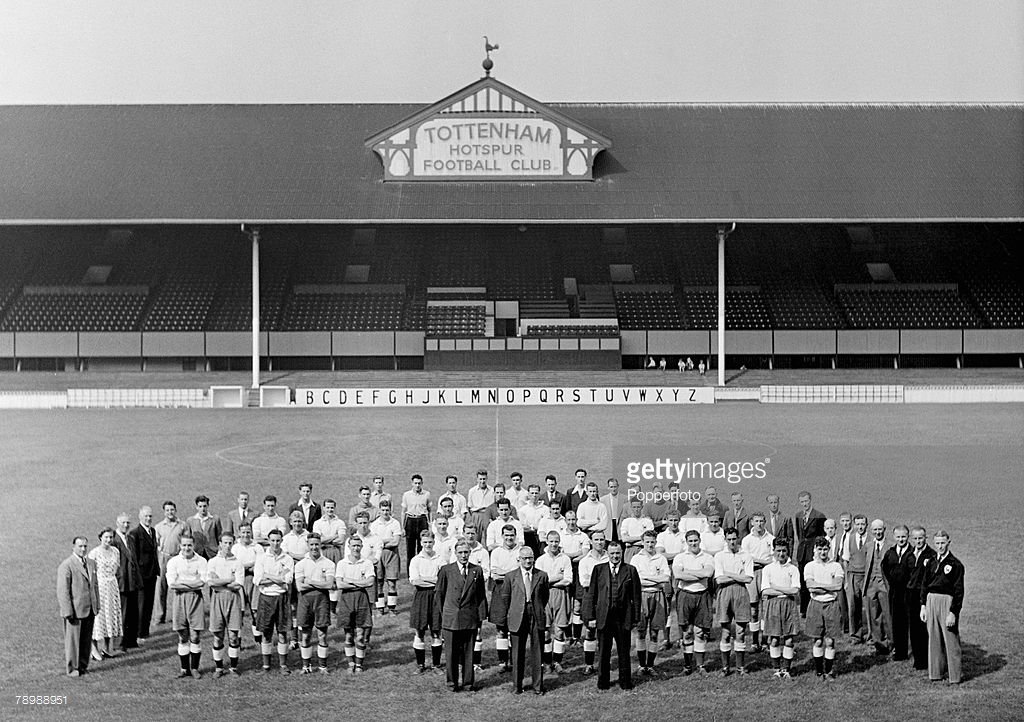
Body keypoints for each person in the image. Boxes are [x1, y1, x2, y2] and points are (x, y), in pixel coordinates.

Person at [582, 540, 642, 691]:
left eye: (618, 553)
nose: (615, 556)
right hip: (604, 617)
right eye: (612, 553)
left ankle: (625, 682)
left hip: (623, 617)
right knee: (604, 651)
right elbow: (592, 595)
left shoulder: (630, 570)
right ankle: (603, 683)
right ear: (607, 554)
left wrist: (635, 618)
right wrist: (591, 617)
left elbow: (636, 596)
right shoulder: (599, 569)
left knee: (623, 651)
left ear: (622, 553)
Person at [434, 540, 488, 692]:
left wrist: (480, 617)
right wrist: (444, 614)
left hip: (469, 617)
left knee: (468, 652)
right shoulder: (446, 570)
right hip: (451, 618)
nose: (463, 555)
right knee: (451, 653)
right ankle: (452, 683)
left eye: (466, 552)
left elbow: (481, 595)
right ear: (455, 553)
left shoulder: (476, 570)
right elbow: (439, 594)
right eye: (460, 552)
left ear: (470, 553)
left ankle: (468, 683)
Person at [497, 545, 549, 695]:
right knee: (517, 652)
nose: (528, 561)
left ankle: (538, 686)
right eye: (525, 558)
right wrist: (514, 611)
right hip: (517, 615)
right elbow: (506, 597)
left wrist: (536, 608)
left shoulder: (542, 575)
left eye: (530, 558)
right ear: (518, 559)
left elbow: (544, 597)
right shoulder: (510, 576)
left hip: (536, 614)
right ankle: (517, 686)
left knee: (537, 651)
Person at [921, 530, 964, 684]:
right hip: (931, 600)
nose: (940, 546)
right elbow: (924, 585)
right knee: (933, 638)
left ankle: (955, 676)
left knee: (950, 639)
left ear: (948, 543)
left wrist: (953, 612)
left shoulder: (956, 564)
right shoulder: (930, 562)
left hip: (947, 601)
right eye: (937, 543)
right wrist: (923, 606)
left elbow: (959, 591)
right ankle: (935, 673)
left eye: (943, 543)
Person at [672, 530, 715, 675]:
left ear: (700, 540)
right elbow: (678, 575)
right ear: (686, 542)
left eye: (695, 540)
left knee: (700, 632)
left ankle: (700, 665)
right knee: (687, 631)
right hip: (685, 595)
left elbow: (708, 574)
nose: (693, 543)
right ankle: (687, 665)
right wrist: (699, 573)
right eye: (690, 541)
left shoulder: (707, 557)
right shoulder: (680, 557)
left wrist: (688, 573)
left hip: (702, 595)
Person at [253, 528, 295, 674]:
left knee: (282, 632)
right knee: (266, 632)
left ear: (282, 541)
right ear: (268, 541)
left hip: (282, 598)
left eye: (278, 540)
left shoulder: (287, 559)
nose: (275, 543)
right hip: (266, 598)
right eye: (273, 541)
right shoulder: (262, 558)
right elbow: (257, 580)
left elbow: (287, 581)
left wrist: (267, 575)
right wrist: (278, 578)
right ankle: (266, 666)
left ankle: (283, 665)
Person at [58, 535, 101, 677]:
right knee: (73, 641)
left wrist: (97, 604)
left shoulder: (91, 563)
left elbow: (95, 585)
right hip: (75, 610)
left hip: (89, 608)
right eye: (80, 546)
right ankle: (72, 668)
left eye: (85, 546)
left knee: (86, 640)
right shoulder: (67, 565)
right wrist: (67, 611)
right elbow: (63, 591)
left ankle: (83, 666)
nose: (83, 549)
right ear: (73, 547)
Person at [166, 534, 207, 678]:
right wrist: (191, 584)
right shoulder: (173, 562)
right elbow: (172, 584)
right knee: (183, 635)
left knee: (195, 635)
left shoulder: (201, 561)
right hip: (179, 599)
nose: (186, 548)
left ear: (194, 546)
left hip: (195, 599)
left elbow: (202, 582)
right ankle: (184, 669)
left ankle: (195, 668)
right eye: (184, 545)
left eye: (189, 545)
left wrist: (183, 584)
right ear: (180, 546)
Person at [714, 527, 754, 676]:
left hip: (741, 592)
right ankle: (725, 667)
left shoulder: (746, 555)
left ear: (738, 539)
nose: (732, 542)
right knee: (725, 632)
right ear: (725, 539)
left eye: (734, 539)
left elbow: (748, 578)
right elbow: (719, 579)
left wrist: (728, 574)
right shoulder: (719, 556)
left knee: (740, 631)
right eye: (729, 539)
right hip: (724, 593)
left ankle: (740, 667)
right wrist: (737, 575)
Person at [803, 536, 845, 679]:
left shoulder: (836, 566)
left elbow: (838, 586)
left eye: (825, 549)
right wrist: (829, 587)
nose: (823, 552)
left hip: (831, 605)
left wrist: (819, 586)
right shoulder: (810, 566)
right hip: (815, 604)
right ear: (815, 550)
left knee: (830, 640)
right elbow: (810, 586)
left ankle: (829, 671)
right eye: (820, 549)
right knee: (818, 640)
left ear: (829, 550)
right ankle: (819, 671)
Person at [294, 533, 335, 675]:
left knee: (322, 634)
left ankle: (323, 666)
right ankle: (306, 666)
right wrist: (320, 584)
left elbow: (329, 584)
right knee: (305, 634)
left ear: (320, 544)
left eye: (316, 544)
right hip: (305, 601)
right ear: (307, 545)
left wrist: (310, 581)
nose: (314, 547)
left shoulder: (328, 563)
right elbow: (299, 587)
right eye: (311, 544)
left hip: (322, 600)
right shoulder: (300, 564)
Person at [760, 539, 801, 678]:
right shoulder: (768, 569)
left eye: (784, 551)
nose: (781, 553)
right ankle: (777, 669)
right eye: (778, 551)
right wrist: (786, 590)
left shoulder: (793, 569)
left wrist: (776, 587)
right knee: (775, 639)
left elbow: (795, 590)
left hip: (789, 604)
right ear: (774, 551)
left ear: (788, 551)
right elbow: (766, 591)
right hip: (773, 604)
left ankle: (786, 670)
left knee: (789, 639)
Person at [631, 530, 670, 675]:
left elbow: (665, 578)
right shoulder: (636, 558)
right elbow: (636, 579)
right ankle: (642, 665)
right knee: (640, 632)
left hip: (657, 595)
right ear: (642, 542)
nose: (650, 544)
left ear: (656, 542)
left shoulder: (661, 558)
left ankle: (650, 665)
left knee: (654, 632)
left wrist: (647, 578)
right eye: (647, 542)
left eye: (652, 542)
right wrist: (656, 578)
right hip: (641, 596)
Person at [335, 535, 375, 674]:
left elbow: (369, 582)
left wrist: (350, 581)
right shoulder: (342, 563)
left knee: (360, 634)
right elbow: (340, 584)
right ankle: (350, 663)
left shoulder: (367, 563)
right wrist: (359, 582)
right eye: (353, 545)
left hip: (361, 598)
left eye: (358, 545)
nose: (356, 548)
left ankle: (359, 664)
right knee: (348, 635)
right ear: (349, 546)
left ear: (362, 546)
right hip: (346, 599)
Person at [206, 532, 244, 677]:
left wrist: (220, 581)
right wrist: (229, 579)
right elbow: (211, 583)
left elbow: (238, 585)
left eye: (230, 543)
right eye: (225, 543)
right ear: (220, 544)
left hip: (233, 599)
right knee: (218, 635)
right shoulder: (213, 562)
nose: (227, 546)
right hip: (217, 599)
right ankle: (218, 668)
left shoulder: (237, 562)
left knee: (233, 635)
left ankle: (233, 668)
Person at [535, 531, 572, 675]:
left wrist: (549, 581)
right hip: (545, 596)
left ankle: (557, 662)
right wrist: (557, 577)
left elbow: (568, 579)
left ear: (559, 542)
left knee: (560, 631)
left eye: (556, 541)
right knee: (545, 631)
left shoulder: (565, 559)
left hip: (561, 595)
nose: (554, 544)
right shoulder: (541, 560)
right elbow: (539, 581)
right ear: (547, 542)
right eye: (551, 541)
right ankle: (546, 662)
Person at [408, 531, 445, 674]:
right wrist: (433, 580)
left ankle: (436, 665)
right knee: (420, 630)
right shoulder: (416, 560)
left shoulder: (440, 559)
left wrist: (426, 579)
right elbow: (415, 581)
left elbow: (442, 580)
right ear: (421, 543)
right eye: (425, 542)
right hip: (421, 596)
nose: (427, 545)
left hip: (436, 596)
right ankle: (420, 665)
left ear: (434, 542)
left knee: (436, 630)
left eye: (430, 542)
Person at [489, 525, 522, 672]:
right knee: (501, 628)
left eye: (512, 535)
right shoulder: (496, 552)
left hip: (516, 592)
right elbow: (495, 575)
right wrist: (511, 573)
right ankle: (503, 661)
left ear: (515, 535)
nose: (509, 538)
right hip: (500, 590)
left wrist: (505, 573)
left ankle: (514, 659)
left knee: (515, 627)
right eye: (506, 535)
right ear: (502, 536)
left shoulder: (520, 551)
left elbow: (522, 572)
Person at [741, 511, 774, 652]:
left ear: (765, 522)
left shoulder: (771, 538)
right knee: (754, 609)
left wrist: (758, 560)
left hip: (767, 574)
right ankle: (755, 641)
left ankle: (765, 641)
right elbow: (745, 559)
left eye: (761, 521)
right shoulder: (747, 540)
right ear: (752, 523)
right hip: (752, 574)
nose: (759, 524)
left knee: (766, 608)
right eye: (756, 521)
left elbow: (774, 560)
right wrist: (762, 561)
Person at [905, 526, 937, 670]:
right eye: (915, 538)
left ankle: (926, 659)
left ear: (926, 538)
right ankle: (917, 659)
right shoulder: (910, 553)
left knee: (924, 628)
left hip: (924, 594)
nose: (918, 541)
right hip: (911, 594)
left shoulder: (931, 555)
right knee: (913, 627)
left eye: (921, 538)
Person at [88, 527, 123, 661]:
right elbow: (90, 573)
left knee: (111, 616)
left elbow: (117, 569)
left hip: (112, 587)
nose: (108, 540)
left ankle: (108, 648)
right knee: (98, 618)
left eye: (110, 537)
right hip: (99, 587)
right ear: (100, 538)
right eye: (106, 537)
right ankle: (94, 649)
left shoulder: (115, 551)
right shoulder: (94, 553)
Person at [576, 529, 608, 674]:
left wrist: (594, 579)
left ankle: (603, 662)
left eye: (601, 539)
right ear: (591, 542)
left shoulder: (610, 557)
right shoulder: (585, 560)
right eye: (596, 540)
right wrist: (603, 581)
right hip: (590, 598)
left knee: (605, 631)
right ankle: (589, 664)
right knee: (590, 631)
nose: (599, 542)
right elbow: (585, 582)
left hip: (607, 599)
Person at [128, 506, 159, 644]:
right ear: (140, 517)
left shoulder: (152, 531)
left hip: (151, 573)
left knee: (149, 603)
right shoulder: (135, 533)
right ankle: (139, 633)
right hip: (141, 575)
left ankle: (145, 631)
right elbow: (134, 557)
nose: (148, 519)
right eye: (146, 516)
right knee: (141, 604)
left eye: (150, 516)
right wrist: (138, 576)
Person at [560, 511, 592, 645]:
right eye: (569, 519)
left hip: (579, 570)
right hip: (565, 570)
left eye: (573, 519)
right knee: (566, 605)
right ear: (565, 521)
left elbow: (585, 554)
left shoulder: (583, 536)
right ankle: (568, 636)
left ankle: (577, 637)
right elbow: (560, 553)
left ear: (577, 520)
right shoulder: (561, 535)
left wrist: (569, 555)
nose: (571, 522)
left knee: (577, 605)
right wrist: (576, 553)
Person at [863, 518, 894, 654]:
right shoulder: (869, 545)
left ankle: (892, 644)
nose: (877, 532)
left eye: (879, 529)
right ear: (871, 531)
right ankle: (879, 644)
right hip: (871, 584)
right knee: (874, 616)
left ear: (884, 529)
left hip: (884, 585)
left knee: (888, 616)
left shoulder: (890, 546)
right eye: (875, 530)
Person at [230, 523, 264, 648]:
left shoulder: (257, 547)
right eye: (243, 532)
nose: (246, 535)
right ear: (239, 533)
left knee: (255, 610)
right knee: (239, 611)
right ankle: (238, 641)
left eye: (248, 532)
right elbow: (234, 566)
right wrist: (248, 566)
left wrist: (244, 566)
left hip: (254, 581)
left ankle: (258, 639)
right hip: (240, 582)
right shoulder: (235, 548)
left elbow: (260, 565)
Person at [794, 491, 827, 616]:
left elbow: (822, 536)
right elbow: (799, 534)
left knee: (813, 579)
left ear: (810, 500)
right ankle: (803, 609)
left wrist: (817, 551)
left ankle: (814, 607)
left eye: (806, 501)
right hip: (802, 553)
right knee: (803, 581)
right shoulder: (798, 515)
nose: (804, 504)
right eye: (802, 502)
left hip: (813, 552)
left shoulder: (819, 515)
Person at [883, 524, 912, 661]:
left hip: (909, 592)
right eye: (898, 537)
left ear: (908, 536)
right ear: (894, 537)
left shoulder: (913, 553)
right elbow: (885, 569)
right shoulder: (890, 552)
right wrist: (892, 582)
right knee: (896, 621)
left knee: (909, 621)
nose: (901, 539)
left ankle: (911, 649)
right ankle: (899, 652)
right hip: (895, 592)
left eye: (904, 537)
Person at [113, 512, 142, 651]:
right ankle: (120, 643)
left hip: (133, 581)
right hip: (122, 581)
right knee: (122, 613)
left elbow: (134, 560)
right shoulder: (114, 540)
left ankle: (131, 640)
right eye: (123, 523)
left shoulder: (130, 538)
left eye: (128, 523)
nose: (126, 525)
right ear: (117, 523)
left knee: (133, 612)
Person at [155, 500, 187, 625]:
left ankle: (179, 615)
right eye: (167, 510)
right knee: (161, 587)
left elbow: (186, 541)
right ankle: (159, 616)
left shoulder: (182, 525)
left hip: (177, 558)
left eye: (172, 510)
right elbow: (156, 543)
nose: (170, 512)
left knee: (178, 586)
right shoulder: (158, 527)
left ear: (175, 510)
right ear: (164, 512)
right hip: (163, 558)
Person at [312, 499, 347, 613]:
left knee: (335, 579)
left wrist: (325, 540)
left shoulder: (340, 522)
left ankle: (332, 608)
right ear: (323, 508)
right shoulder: (318, 523)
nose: (330, 510)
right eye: (327, 507)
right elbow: (318, 540)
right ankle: (323, 605)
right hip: (322, 552)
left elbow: (341, 540)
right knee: (322, 577)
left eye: (332, 507)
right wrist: (333, 536)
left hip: (335, 551)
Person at [282, 511, 310, 649]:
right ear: (290, 522)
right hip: (291, 576)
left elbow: (310, 554)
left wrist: (295, 557)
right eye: (295, 521)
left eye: (300, 521)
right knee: (292, 607)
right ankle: (293, 639)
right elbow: (285, 556)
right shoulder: (286, 538)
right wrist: (301, 557)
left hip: (304, 575)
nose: (297, 524)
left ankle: (302, 638)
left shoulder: (308, 536)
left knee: (302, 607)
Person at [370, 500, 403, 615]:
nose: (385, 512)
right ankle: (380, 607)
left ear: (390, 510)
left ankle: (392, 608)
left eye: (387, 510)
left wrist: (382, 542)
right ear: (379, 511)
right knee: (379, 582)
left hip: (392, 554)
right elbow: (373, 543)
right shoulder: (374, 525)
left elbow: (396, 542)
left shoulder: (395, 523)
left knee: (391, 582)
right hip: (378, 555)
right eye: (383, 510)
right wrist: (388, 539)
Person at [844, 514, 869, 643]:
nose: (860, 527)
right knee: (853, 607)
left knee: (870, 607)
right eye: (858, 524)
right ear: (854, 525)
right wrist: (846, 581)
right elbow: (846, 560)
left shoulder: (871, 540)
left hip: (866, 576)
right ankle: (855, 635)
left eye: (862, 524)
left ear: (866, 525)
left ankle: (871, 636)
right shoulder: (849, 538)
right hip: (853, 575)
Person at [401, 474, 432, 566]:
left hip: (422, 520)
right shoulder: (406, 495)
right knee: (410, 549)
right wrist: (403, 527)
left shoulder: (427, 494)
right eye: (415, 483)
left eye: (419, 483)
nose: (417, 485)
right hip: (410, 520)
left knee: (422, 547)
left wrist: (430, 524)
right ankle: (410, 572)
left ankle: (421, 568)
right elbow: (403, 511)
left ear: (422, 483)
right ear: (412, 484)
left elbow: (430, 511)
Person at [518, 484, 550, 556]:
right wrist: (534, 527)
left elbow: (545, 525)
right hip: (528, 537)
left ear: (539, 494)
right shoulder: (523, 510)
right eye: (532, 493)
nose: (534, 495)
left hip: (541, 539)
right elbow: (523, 526)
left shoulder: (545, 509)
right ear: (528, 494)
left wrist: (533, 527)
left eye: (536, 493)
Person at [187, 495, 221, 561]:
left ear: (208, 506)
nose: (203, 508)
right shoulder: (190, 520)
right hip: (197, 553)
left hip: (212, 553)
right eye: (200, 506)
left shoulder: (215, 519)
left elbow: (219, 536)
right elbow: (189, 537)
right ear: (196, 507)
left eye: (204, 506)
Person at [619, 498, 654, 563]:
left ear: (642, 507)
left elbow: (648, 539)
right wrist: (641, 537)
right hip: (630, 550)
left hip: (643, 549)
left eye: (638, 507)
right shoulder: (626, 521)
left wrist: (631, 539)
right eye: (634, 507)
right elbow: (624, 539)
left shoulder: (648, 522)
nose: (636, 509)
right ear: (631, 508)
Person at [465, 469, 494, 539]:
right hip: (476, 515)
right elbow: (469, 507)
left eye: (484, 479)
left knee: (489, 536)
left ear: (487, 479)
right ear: (477, 479)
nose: (482, 481)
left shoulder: (492, 490)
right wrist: (475, 516)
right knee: (476, 536)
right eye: (480, 479)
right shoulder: (472, 491)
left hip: (488, 514)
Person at [600, 478, 625, 542]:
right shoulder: (602, 500)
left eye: (615, 487)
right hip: (608, 527)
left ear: (618, 486)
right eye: (611, 487)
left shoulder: (625, 499)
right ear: (608, 487)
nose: (613, 489)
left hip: (620, 525)